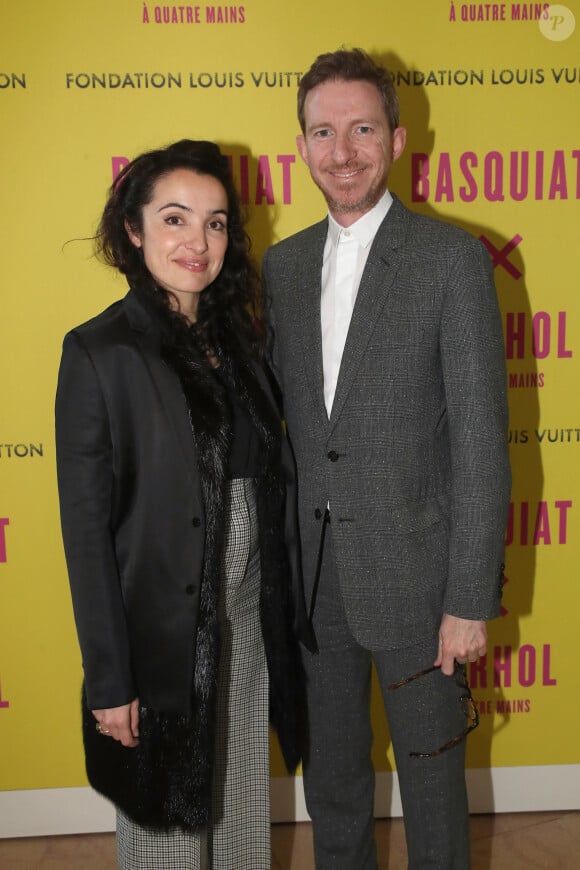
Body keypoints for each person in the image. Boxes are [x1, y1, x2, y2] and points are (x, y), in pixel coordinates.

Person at [263, 49, 511, 869]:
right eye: (323, 132)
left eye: (362, 128)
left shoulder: (452, 260)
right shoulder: (282, 267)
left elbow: (480, 442)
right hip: (312, 586)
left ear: (399, 139)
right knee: (331, 787)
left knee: (435, 793)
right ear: (301, 146)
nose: (343, 151)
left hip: (420, 584)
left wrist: (469, 600)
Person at [55, 139, 309, 870]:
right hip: (162, 641)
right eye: (175, 219)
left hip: (249, 624)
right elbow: (86, 533)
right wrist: (111, 681)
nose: (198, 243)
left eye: (217, 222)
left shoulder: (242, 341)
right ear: (133, 230)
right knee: (165, 836)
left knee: (239, 823)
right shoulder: (101, 352)